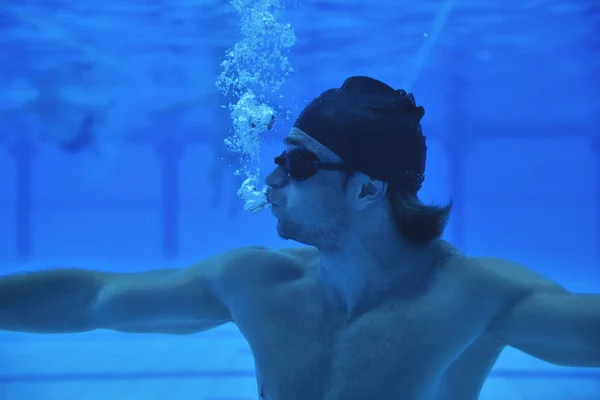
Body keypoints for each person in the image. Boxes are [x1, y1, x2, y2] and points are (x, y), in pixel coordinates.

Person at [0, 76, 598, 400]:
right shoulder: (257, 283)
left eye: (300, 164)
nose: (272, 179)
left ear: (367, 190)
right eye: (281, 159)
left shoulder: (473, 297)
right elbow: (91, 300)